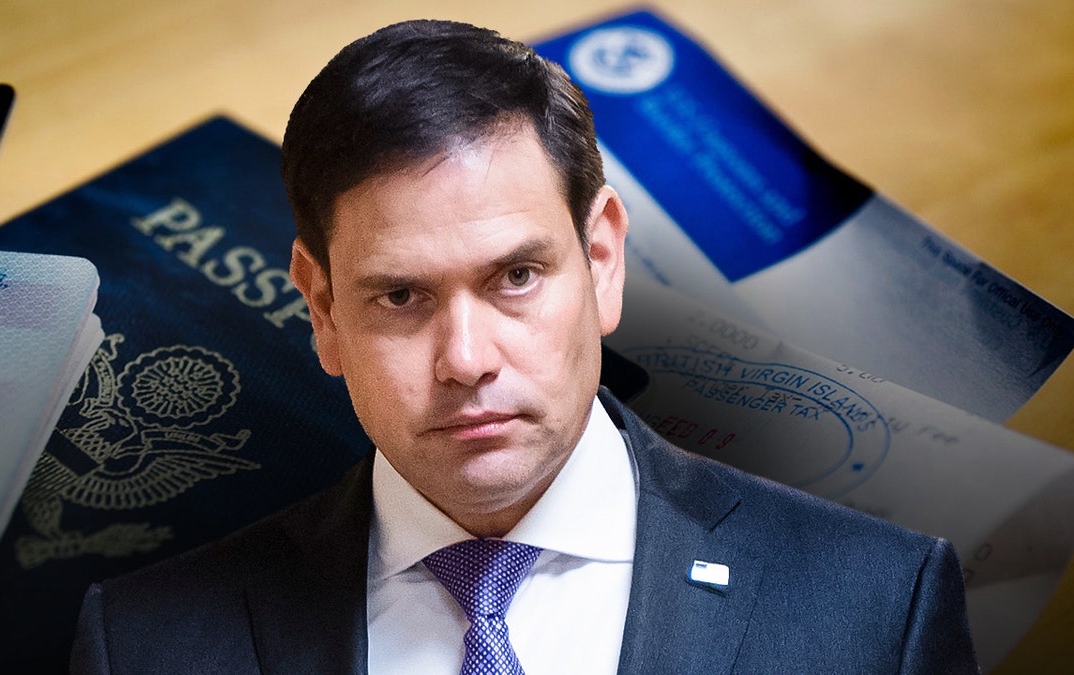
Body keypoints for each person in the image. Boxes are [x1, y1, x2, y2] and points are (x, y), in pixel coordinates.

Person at [70, 18, 979, 674]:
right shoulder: (142, 644)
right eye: (399, 294)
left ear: (602, 260)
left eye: (515, 277)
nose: (466, 358)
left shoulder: (876, 611)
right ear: (322, 309)